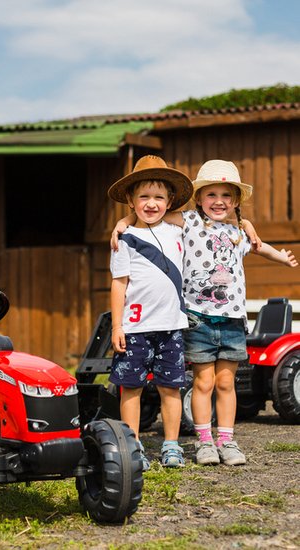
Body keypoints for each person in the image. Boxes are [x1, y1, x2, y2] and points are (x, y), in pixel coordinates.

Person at [111, 159, 298, 467]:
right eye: (211, 195)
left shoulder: (238, 232)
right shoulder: (188, 222)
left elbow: (258, 245)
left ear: (236, 200)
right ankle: (204, 441)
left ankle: (226, 438)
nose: (219, 201)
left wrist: (280, 256)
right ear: (198, 198)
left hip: (232, 318)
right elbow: (151, 214)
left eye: (227, 196)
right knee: (203, 383)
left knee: (226, 383)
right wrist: (123, 221)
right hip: (197, 316)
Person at [107, 155, 194, 470]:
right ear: (130, 200)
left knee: (171, 386)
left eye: (159, 197)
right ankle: (133, 447)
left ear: (170, 200)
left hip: (171, 325)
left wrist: (247, 224)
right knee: (130, 387)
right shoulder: (125, 240)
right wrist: (117, 326)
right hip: (134, 327)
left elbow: (211, 222)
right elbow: (119, 284)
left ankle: (171, 445)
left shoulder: (178, 229)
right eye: (143, 196)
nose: (151, 203)